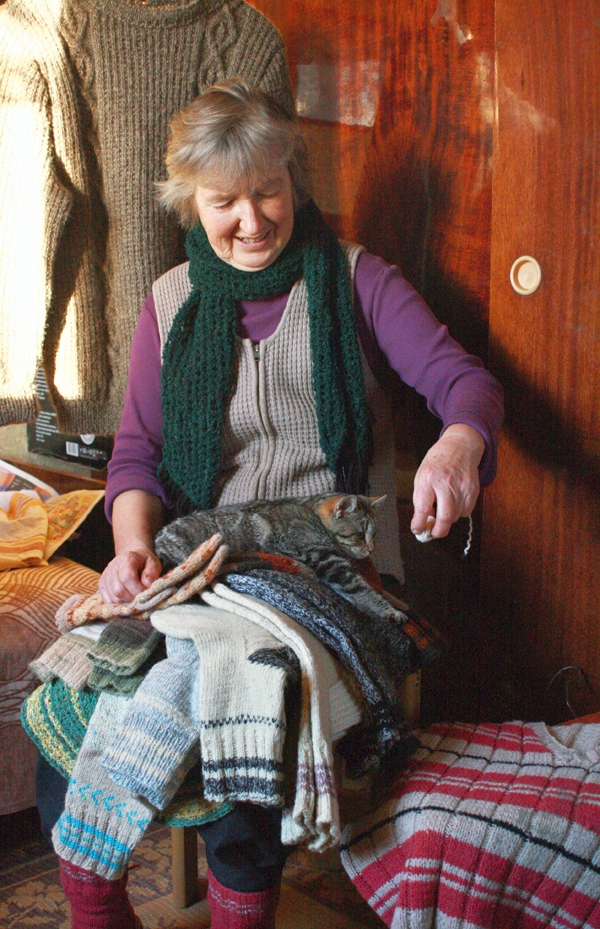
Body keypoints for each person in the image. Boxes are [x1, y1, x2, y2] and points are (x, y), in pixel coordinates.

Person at [38, 79, 504, 929]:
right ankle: (94, 896)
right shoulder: (170, 302)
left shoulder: (360, 281)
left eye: (268, 191)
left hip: (334, 566)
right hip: (199, 559)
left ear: (295, 181)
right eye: (225, 201)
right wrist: (131, 548)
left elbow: (462, 382)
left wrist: (458, 443)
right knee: (85, 686)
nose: (251, 220)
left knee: (240, 692)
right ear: (192, 204)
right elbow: (136, 456)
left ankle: (239, 911)